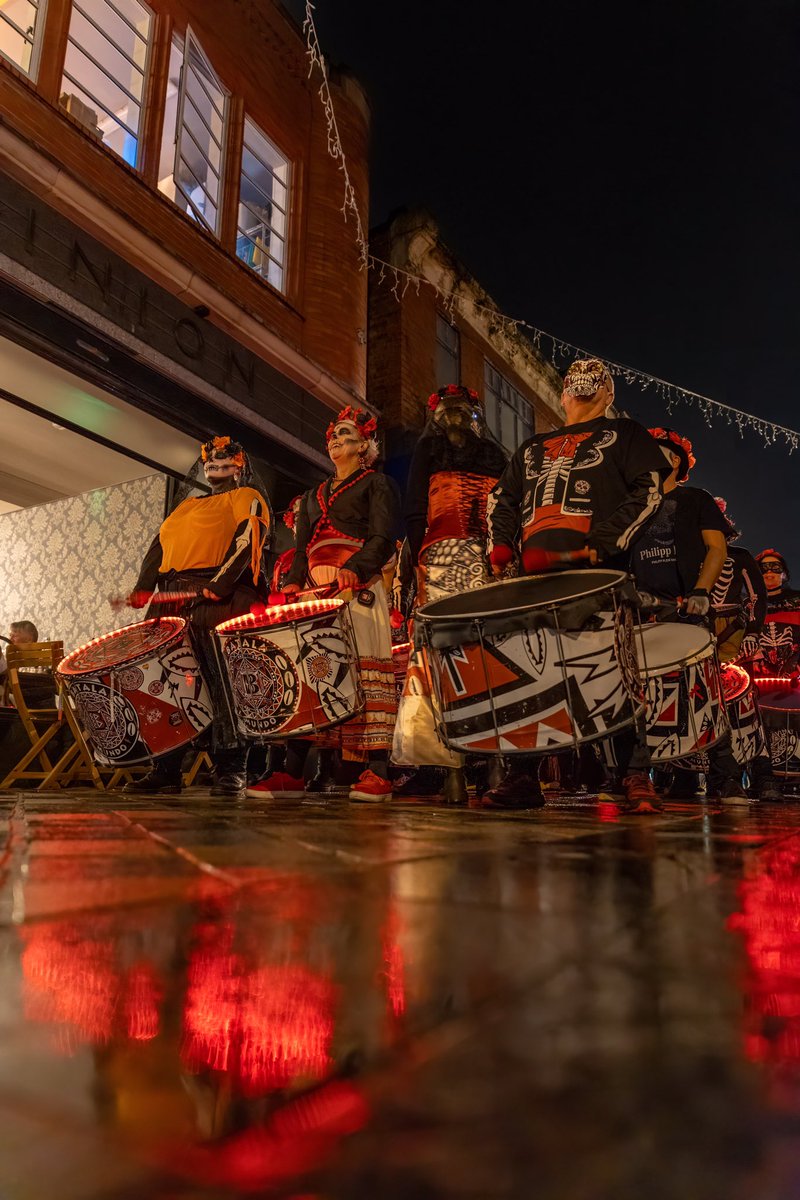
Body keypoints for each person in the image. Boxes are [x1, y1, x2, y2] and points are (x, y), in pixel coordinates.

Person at [486, 356, 668, 812]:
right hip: (534, 580)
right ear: (563, 394)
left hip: (597, 575)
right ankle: (524, 777)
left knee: (612, 668)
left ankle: (633, 775)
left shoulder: (627, 435)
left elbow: (648, 491)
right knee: (531, 673)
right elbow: (502, 498)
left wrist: (604, 544)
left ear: (609, 394)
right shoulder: (531, 447)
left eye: (597, 380)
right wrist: (501, 545)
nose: (583, 385)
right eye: (575, 381)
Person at [249, 406, 400, 803]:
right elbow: (300, 549)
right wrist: (293, 582)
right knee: (315, 677)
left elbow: (382, 538)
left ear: (365, 445)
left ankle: (377, 770)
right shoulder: (313, 496)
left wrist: (354, 568)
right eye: (332, 435)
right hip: (315, 596)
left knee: (365, 673)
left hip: (357, 589)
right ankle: (293, 773)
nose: (335, 440)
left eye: (345, 434)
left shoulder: (378, 484)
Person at [124, 435, 271, 799]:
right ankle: (167, 768)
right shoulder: (185, 507)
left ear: (240, 466)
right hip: (172, 601)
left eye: (226, 457)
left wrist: (220, 586)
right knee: (170, 683)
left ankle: (232, 769)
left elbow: (247, 541)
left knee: (222, 681)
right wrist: (144, 587)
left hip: (218, 599)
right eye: (210, 458)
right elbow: (158, 546)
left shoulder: (247, 498)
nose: (215, 461)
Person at [394, 384, 509, 802]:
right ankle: (458, 770)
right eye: (449, 411)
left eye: (463, 411)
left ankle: (479, 767)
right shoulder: (437, 454)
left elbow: (413, 513)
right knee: (460, 660)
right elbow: (413, 511)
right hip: (456, 559)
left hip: (474, 560)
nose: (456, 418)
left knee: (477, 659)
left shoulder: (495, 458)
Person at [630, 429, 748, 803]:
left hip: (685, 605)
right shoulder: (629, 504)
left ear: (678, 461)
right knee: (636, 695)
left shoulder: (695, 499)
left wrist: (700, 591)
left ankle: (724, 775)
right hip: (639, 610)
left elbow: (716, 549)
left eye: (665, 452)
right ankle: (634, 774)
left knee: (705, 691)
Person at [708, 499, 781, 802]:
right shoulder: (687, 556)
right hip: (698, 630)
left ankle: (762, 774)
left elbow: (757, 597)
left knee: (745, 704)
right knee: (699, 703)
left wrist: (752, 631)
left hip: (734, 634)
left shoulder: (739, 557)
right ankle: (696, 777)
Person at [753, 549, 800, 678]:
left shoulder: (798, 599)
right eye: (764, 568)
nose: (769, 571)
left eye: (775, 567)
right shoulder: (748, 605)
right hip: (759, 677)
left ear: (784, 573)